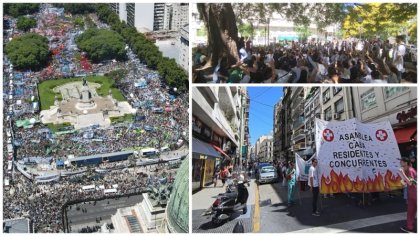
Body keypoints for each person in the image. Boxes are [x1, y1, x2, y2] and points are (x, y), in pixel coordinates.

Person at [399, 156, 417, 233]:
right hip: (412, 194)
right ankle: (409, 226)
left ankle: (410, 226)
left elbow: (410, 183)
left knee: (411, 211)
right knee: (410, 211)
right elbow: (407, 182)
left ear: (406, 163)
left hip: (415, 193)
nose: (400, 163)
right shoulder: (407, 170)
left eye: (401, 162)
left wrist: (402, 173)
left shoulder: (410, 170)